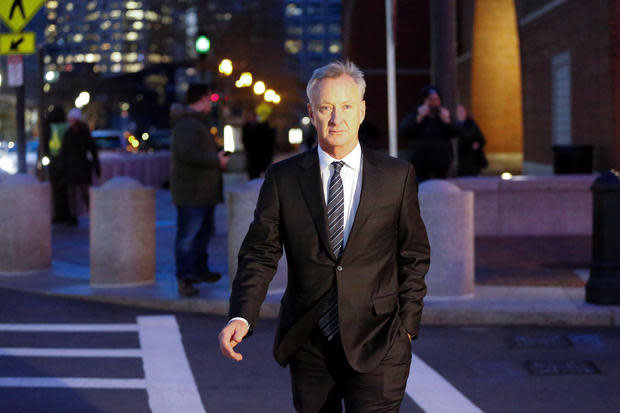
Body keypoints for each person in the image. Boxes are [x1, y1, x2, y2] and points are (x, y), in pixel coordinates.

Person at [219, 61, 430, 412]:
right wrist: (241, 315)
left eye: (346, 107)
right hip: (310, 341)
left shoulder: (397, 177)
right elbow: (260, 252)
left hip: (379, 338)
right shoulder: (283, 179)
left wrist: (408, 323)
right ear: (311, 113)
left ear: (361, 111)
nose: (337, 119)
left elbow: (414, 253)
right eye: (326, 108)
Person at [171, 84, 230, 297]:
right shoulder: (188, 124)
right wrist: (216, 159)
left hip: (201, 191)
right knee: (188, 235)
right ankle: (185, 277)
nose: (212, 103)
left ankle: (198, 271)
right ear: (203, 98)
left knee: (202, 234)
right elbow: (188, 153)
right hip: (192, 192)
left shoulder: (195, 123)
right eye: (209, 98)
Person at [401, 85, 457, 182]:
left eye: (436, 99)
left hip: (441, 163)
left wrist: (448, 121)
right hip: (420, 163)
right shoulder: (415, 115)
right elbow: (404, 131)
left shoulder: (443, 116)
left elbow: (457, 132)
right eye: (430, 100)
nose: (433, 103)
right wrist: (418, 118)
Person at [59, 108, 100, 226]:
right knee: (72, 194)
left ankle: (92, 214)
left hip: (80, 168)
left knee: (84, 193)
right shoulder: (70, 133)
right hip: (74, 168)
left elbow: (92, 150)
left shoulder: (82, 133)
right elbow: (64, 151)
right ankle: (74, 217)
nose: (70, 122)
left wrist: (96, 165)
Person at [241, 109, 275, 179]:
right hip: (252, 154)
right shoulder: (247, 127)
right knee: (253, 173)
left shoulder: (260, 126)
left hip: (259, 155)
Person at [455, 104, 488, 176]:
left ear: (466, 112)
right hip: (460, 159)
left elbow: (481, 139)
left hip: (471, 159)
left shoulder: (471, 124)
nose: (460, 113)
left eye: (462, 111)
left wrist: (477, 144)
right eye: (458, 111)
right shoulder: (453, 124)